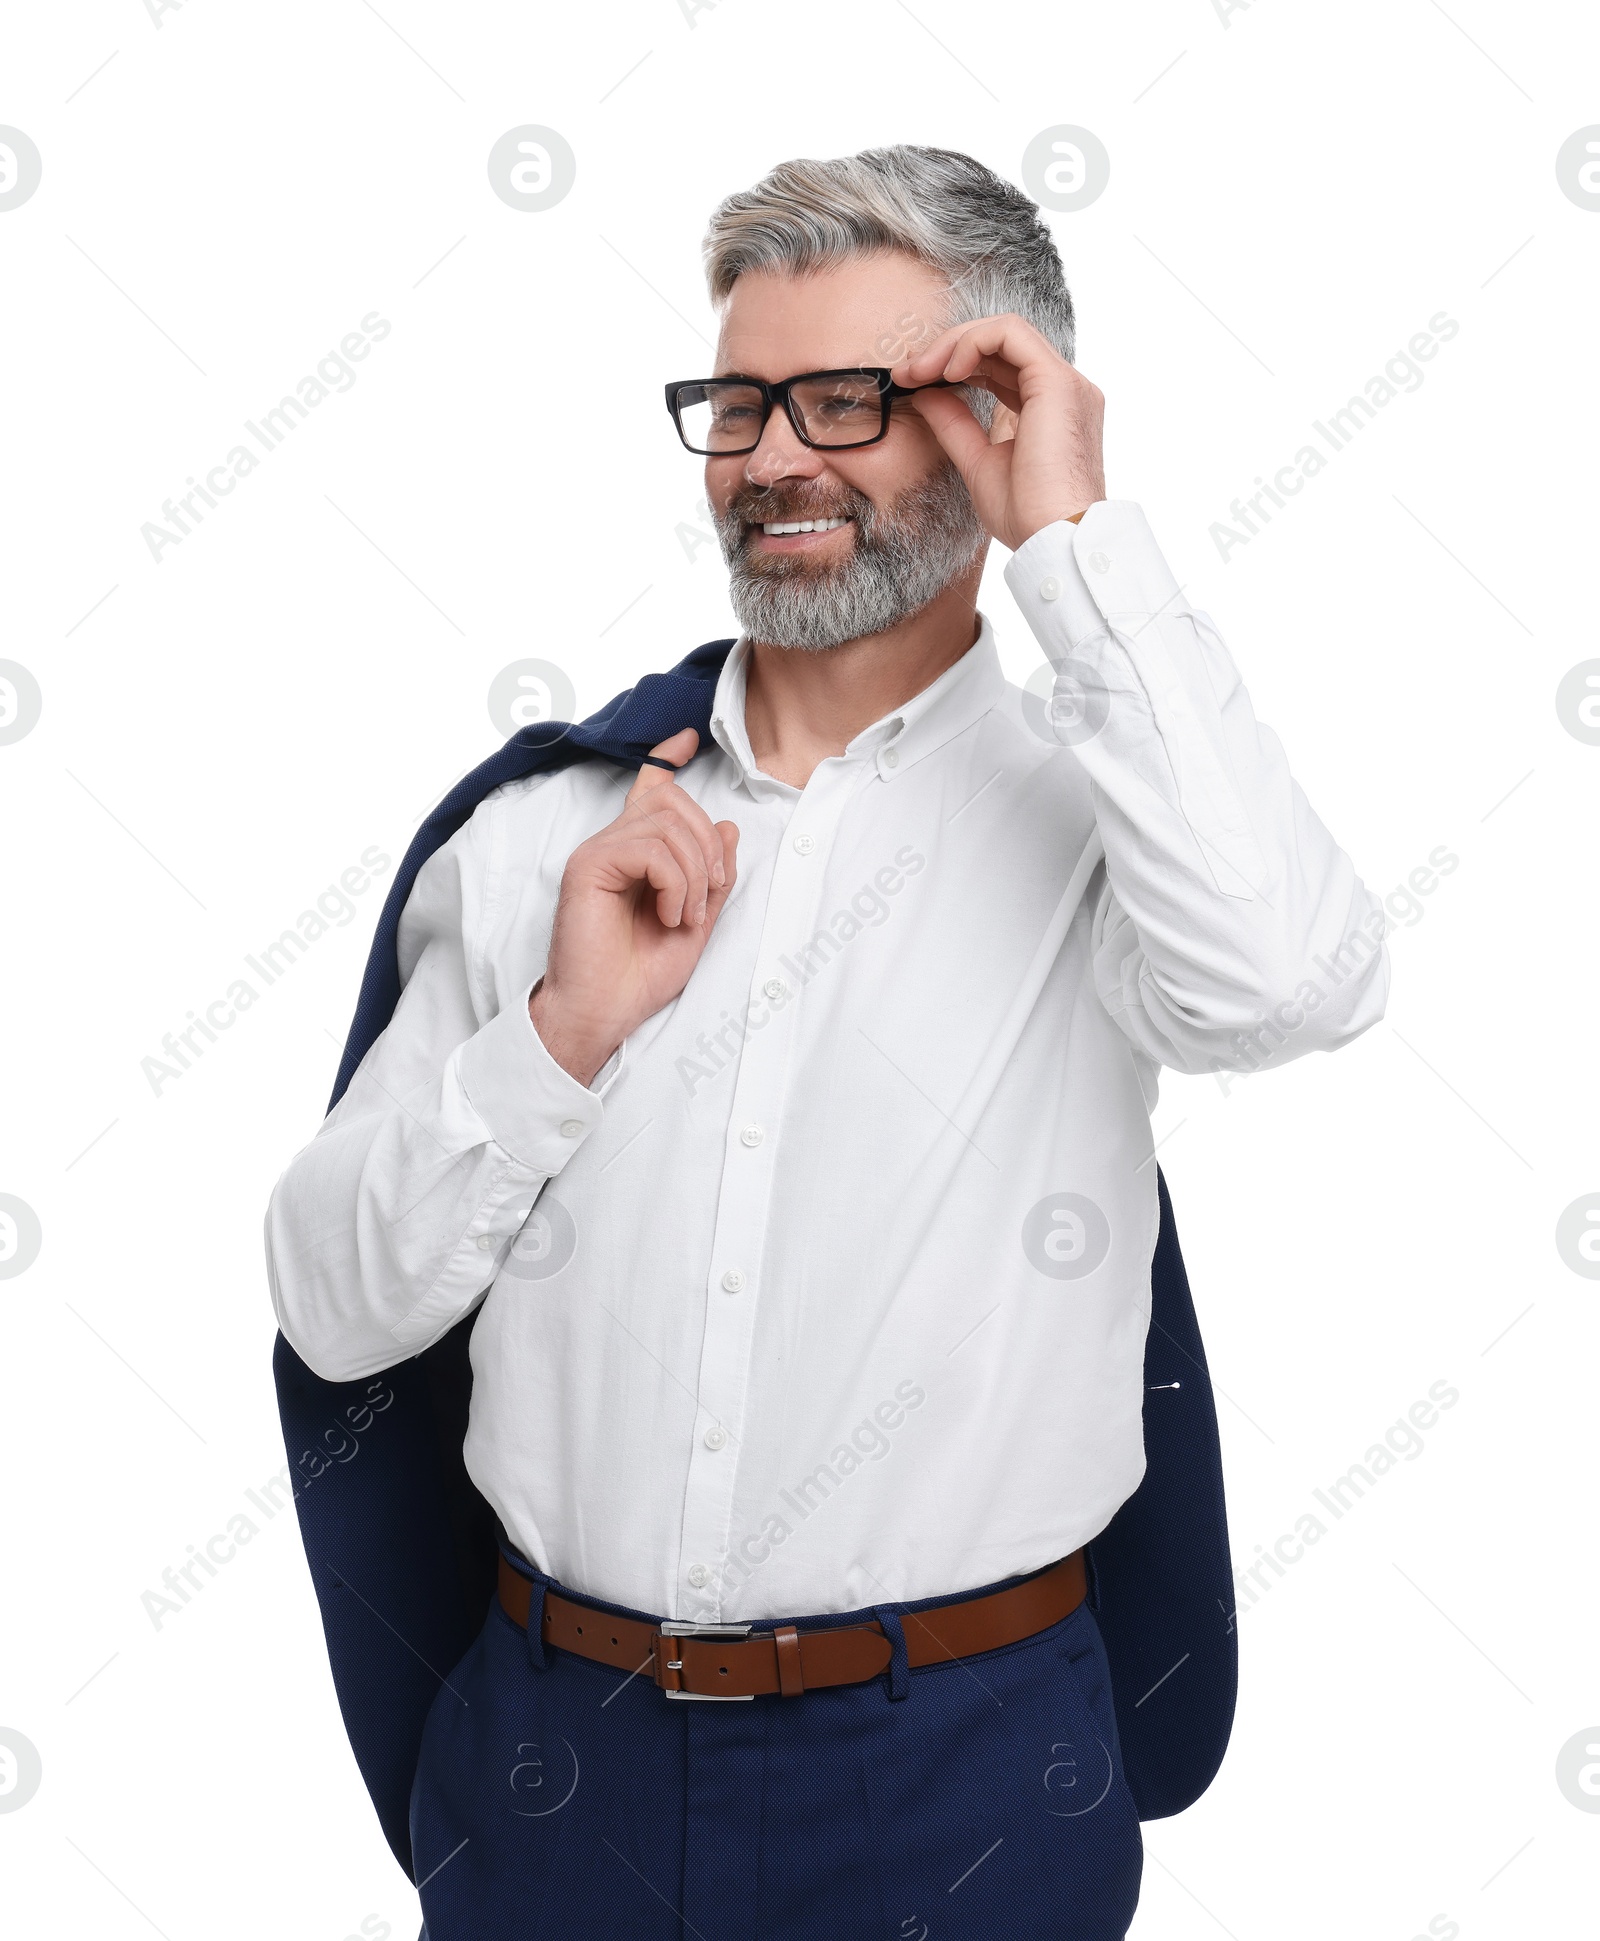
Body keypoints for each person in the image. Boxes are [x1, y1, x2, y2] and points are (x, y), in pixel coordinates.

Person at [266, 144, 1387, 1940]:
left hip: (970, 1769)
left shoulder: (1113, 816)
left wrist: (1079, 540)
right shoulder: (541, 833)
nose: (775, 453)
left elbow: (1293, 979)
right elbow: (331, 1304)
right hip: (563, 1763)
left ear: (994, 418)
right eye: (741, 400)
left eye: (850, 399)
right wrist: (557, 1038)